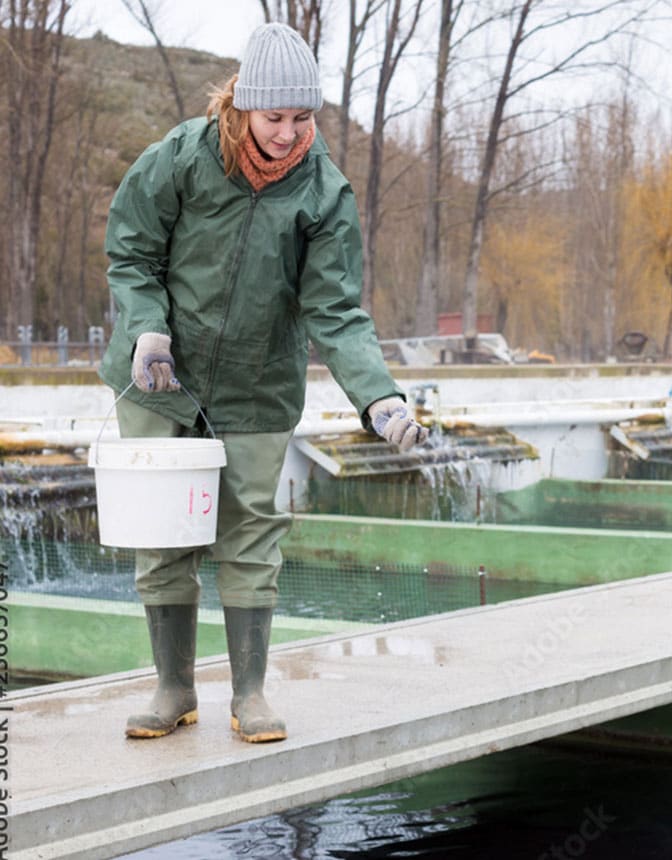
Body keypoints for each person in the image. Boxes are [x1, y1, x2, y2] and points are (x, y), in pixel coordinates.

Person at [99, 22, 428, 743]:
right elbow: (130, 249)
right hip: (159, 375)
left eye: (302, 118)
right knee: (161, 533)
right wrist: (148, 325)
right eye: (275, 117)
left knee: (249, 532)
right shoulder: (182, 157)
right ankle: (173, 687)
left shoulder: (325, 191)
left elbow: (336, 308)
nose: (287, 134)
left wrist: (380, 396)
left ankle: (249, 692)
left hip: (257, 385)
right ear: (242, 105)